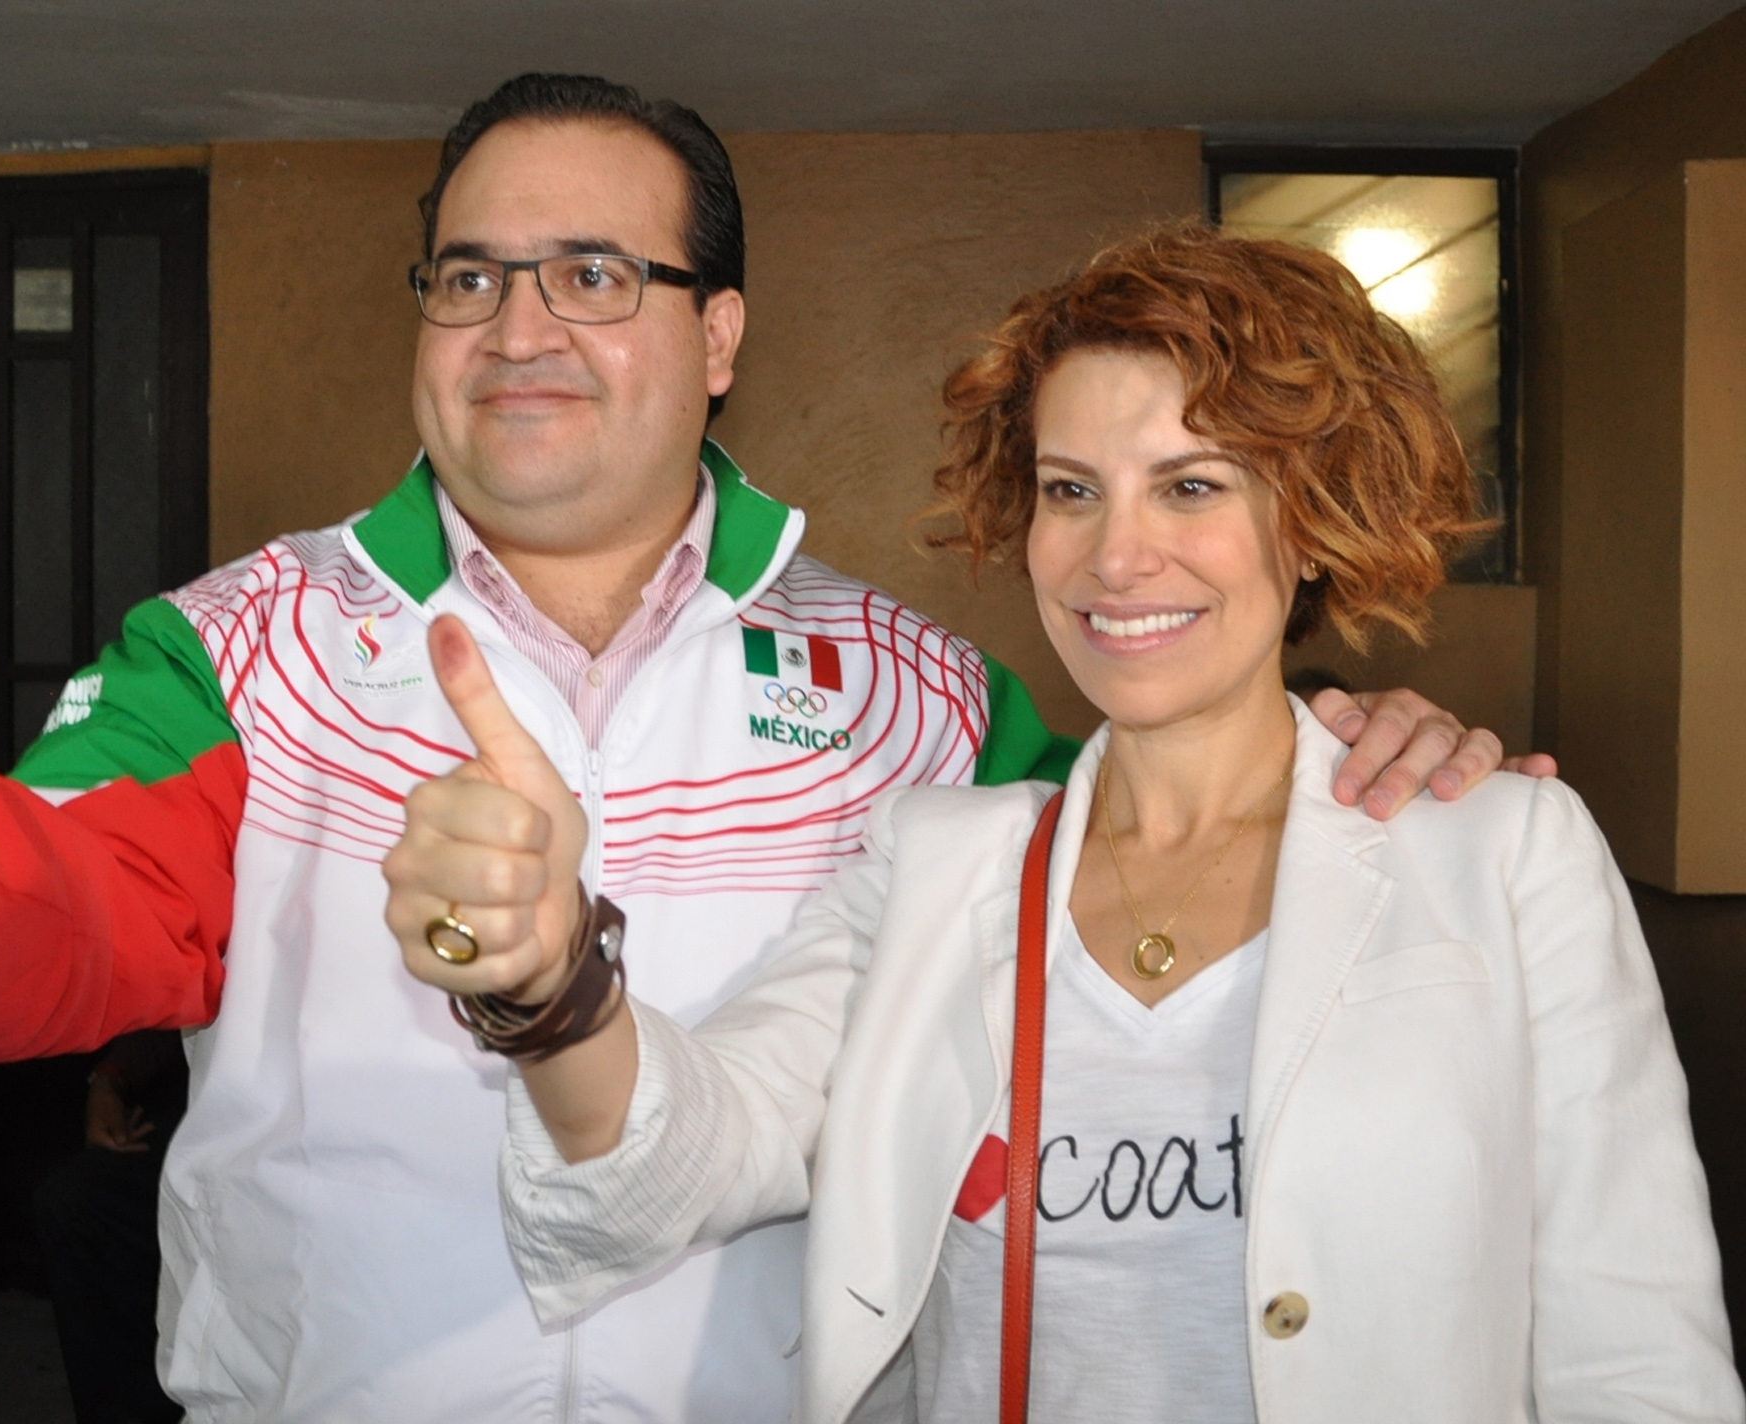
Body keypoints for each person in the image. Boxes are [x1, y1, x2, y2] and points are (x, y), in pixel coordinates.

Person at [0, 75, 1531, 1422]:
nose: (518, 325)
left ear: (719, 335)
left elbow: (1161, 869)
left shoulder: (916, 694)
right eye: (468, 275)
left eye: (595, 274)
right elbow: (42, 925)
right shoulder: (243, 648)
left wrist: (1336, 748)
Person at [387, 226, 1739, 1423]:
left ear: (1312, 521)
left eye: (1192, 484)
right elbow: (687, 1153)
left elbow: (1635, 1354)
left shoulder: (1503, 854)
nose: (1115, 556)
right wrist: (551, 982)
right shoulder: (935, 864)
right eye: (1071, 488)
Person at [32, 1030, 188, 1424]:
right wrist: (109, 1079)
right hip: (208, 1102)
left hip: (308, 1133)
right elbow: (178, 1007)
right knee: (78, 1203)